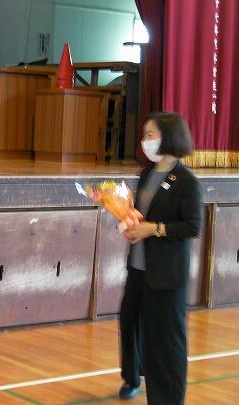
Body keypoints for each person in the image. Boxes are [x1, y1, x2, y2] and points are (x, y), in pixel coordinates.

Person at [119, 112, 202, 404]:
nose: (145, 140)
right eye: (144, 134)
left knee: (165, 342)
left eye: (150, 134)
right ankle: (132, 377)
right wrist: (128, 219)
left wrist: (153, 229)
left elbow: (192, 226)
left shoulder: (186, 181)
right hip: (138, 268)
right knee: (131, 323)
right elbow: (143, 214)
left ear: (169, 137)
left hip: (166, 274)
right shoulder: (147, 174)